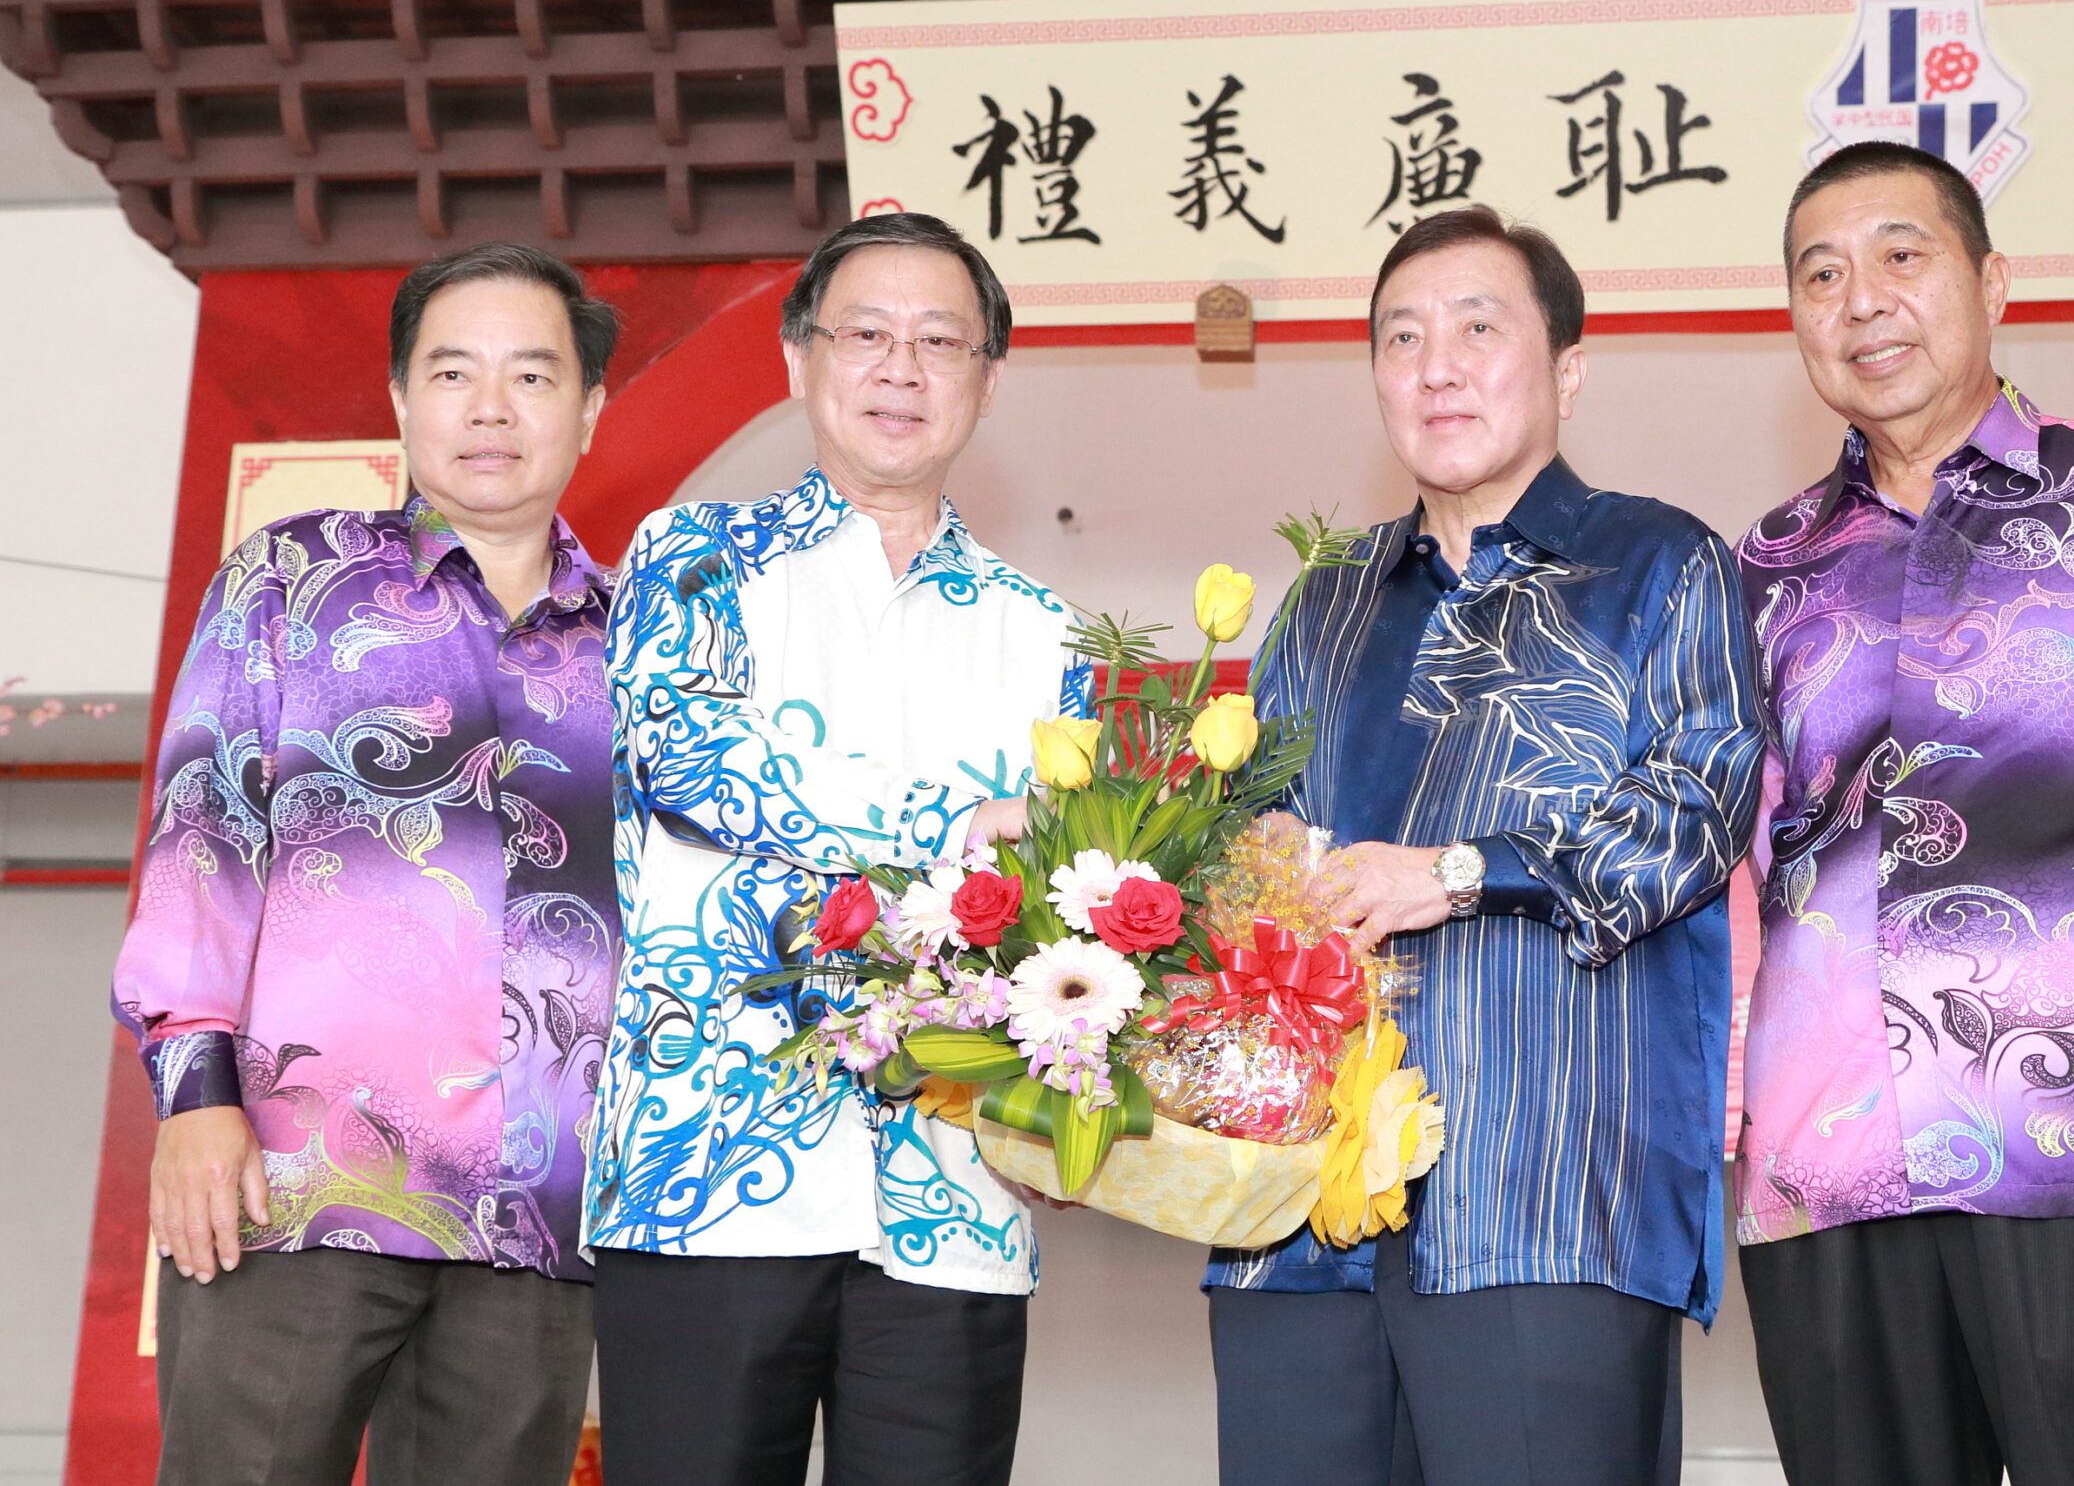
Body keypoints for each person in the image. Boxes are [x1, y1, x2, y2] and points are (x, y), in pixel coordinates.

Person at [1734, 140, 2074, 1486]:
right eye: (1821, 273)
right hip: (1832, 1156)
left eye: (1900, 255)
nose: (1862, 300)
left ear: (1991, 282)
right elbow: (1752, 835)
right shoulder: (1767, 565)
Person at [1206, 205, 1766, 1486]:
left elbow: (1694, 810)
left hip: (1545, 1191)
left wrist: (1456, 875)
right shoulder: (1323, 597)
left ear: (1567, 369)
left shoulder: (1659, 563)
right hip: (1292, 1211)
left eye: (1475, 328)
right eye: (1400, 338)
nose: (1435, 367)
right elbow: (1240, 837)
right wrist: (1250, 868)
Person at [583, 212, 1083, 1486]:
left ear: (986, 379)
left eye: (940, 342)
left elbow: (1064, 909)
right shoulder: (690, 557)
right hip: (707, 1170)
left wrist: (1073, 1096)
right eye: (865, 334)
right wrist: (957, 828)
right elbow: (693, 765)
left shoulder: (1046, 633)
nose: (901, 369)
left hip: (955, 1197)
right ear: (799, 359)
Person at [113, 242, 621, 1486]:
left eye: (531, 375)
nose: (490, 408)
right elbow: (201, 837)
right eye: (452, 372)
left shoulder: (640, 635)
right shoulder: (294, 579)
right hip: (293, 1183)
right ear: (400, 398)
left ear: (590, 408)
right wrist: (194, 1099)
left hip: (542, 1210)